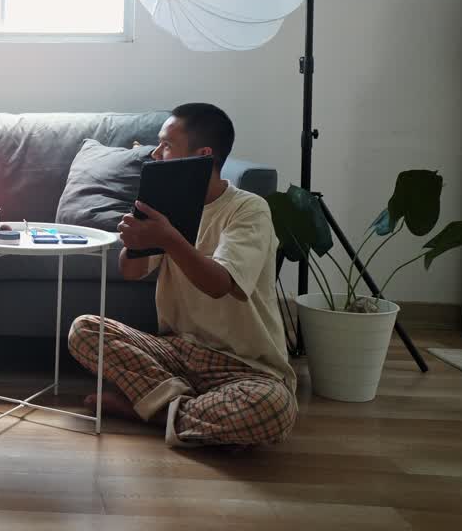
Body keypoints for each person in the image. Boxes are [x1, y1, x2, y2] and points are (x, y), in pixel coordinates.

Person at [67, 103, 296, 447]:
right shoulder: (167, 206)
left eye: (167, 146)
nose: (156, 155)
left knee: (274, 410)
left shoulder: (248, 209)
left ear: (202, 156)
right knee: (84, 330)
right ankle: (177, 412)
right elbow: (131, 273)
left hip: (246, 366)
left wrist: (168, 238)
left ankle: (151, 409)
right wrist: (134, 243)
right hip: (177, 352)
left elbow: (220, 284)